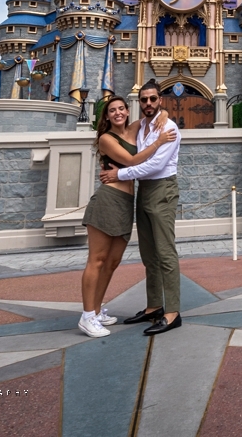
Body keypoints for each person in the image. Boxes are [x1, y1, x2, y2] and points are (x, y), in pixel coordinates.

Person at [76, 96, 175, 339]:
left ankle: (97, 311)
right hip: (108, 200)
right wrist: (159, 142)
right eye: (112, 110)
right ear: (106, 116)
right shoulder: (106, 139)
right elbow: (131, 161)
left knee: (112, 262)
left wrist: (163, 115)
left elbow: (152, 116)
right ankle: (87, 315)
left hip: (126, 203)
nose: (118, 113)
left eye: (121, 108)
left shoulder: (133, 128)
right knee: (97, 260)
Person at [100, 79, 183, 336]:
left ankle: (173, 312)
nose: (148, 103)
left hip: (162, 189)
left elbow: (155, 166)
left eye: (153, 99)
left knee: (165, 252)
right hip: (144, 190)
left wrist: (120, 175)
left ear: (160, 100)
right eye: (144, 100)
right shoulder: (144, 125)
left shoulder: (167, 127)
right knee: (149, 253)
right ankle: (154, 306)